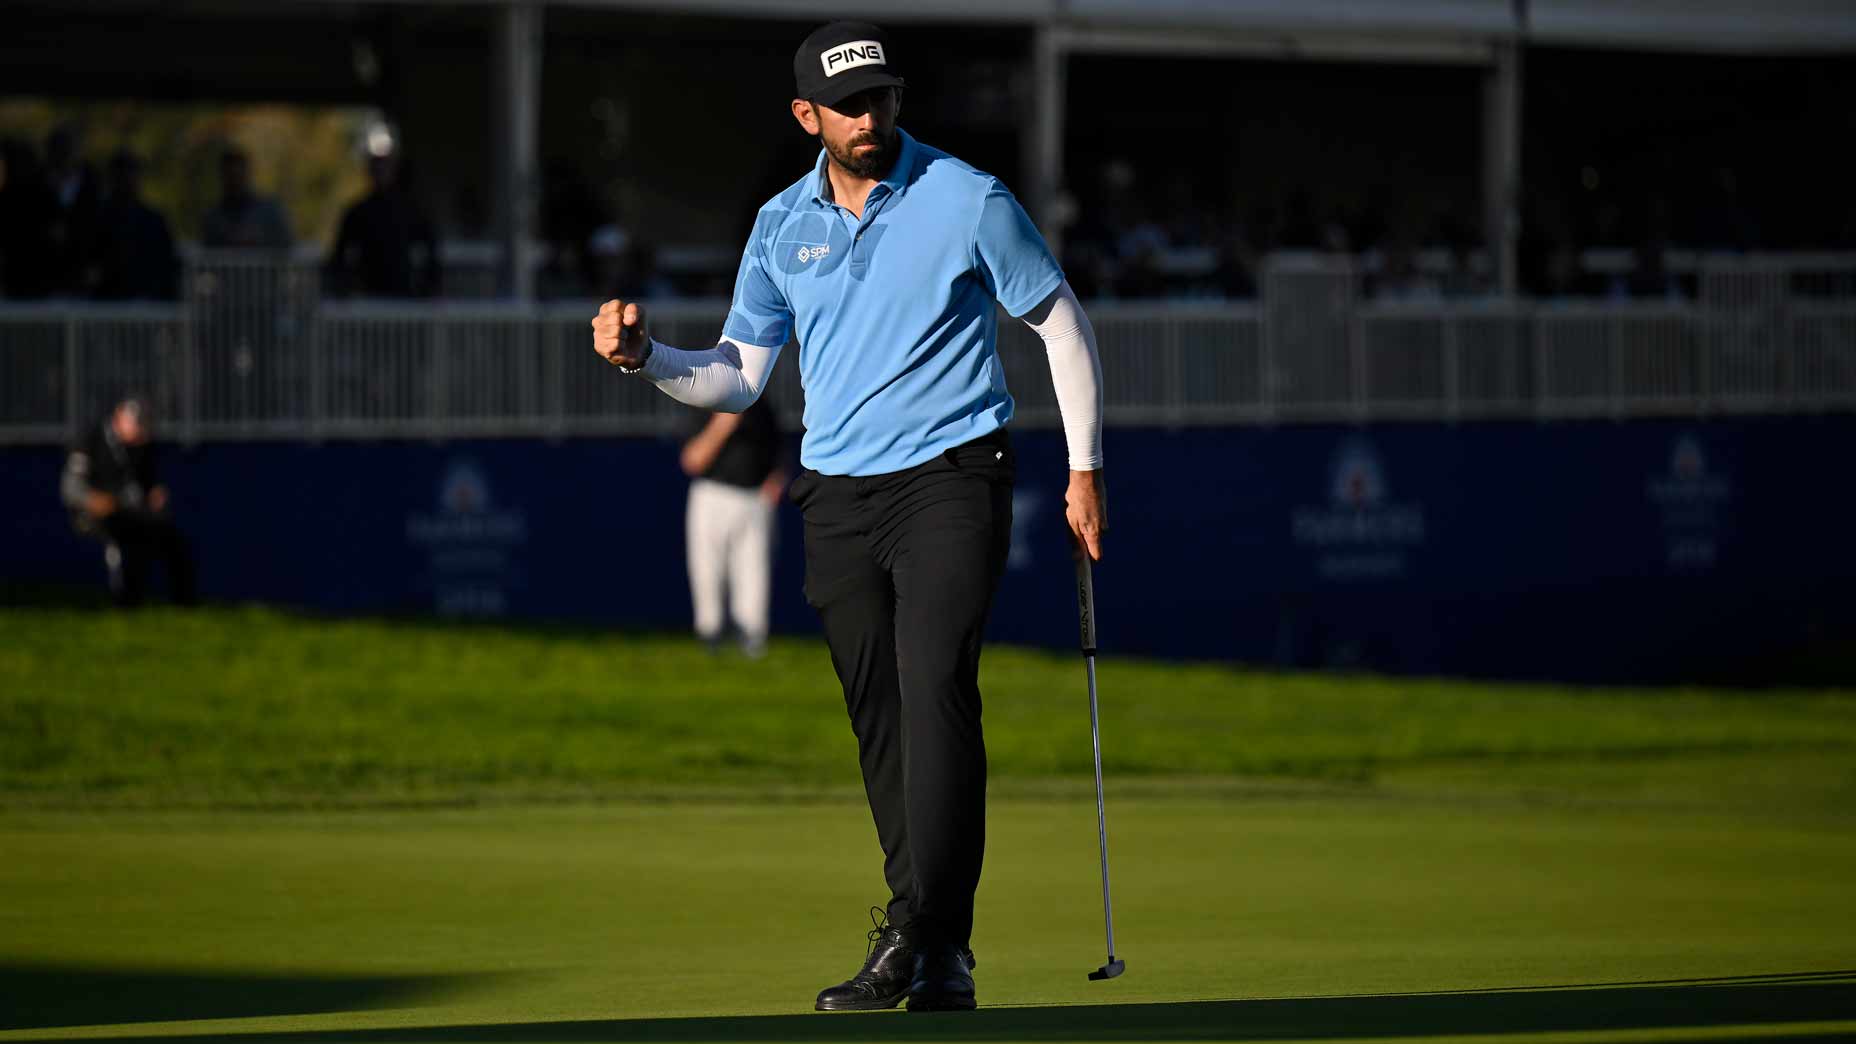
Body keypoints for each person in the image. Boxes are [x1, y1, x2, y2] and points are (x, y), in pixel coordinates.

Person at [590, 21, 1107, 1013]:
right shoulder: (781, 224)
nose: (869, 117)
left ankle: (912, 934)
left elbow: (1055, 321)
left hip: (952, 478)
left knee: (935, 690)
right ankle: (942, 950)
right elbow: (738, 376)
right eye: (848, 104)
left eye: (881, 98)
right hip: (835, 496)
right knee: (880, 721)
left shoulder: (965, 197)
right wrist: (644, 359)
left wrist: (1084, 466)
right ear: (806, 116)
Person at [61, 396, 197, 607]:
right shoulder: (91, 438)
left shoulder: (142, 447)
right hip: (95, 515)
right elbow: (71, 488)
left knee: (172, 539)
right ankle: (122, 601)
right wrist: (94, 500)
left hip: (130, 513)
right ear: (119, 417)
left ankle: (183, 603)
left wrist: (154, 495)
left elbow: (146, 486)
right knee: (122, 541)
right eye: (136, 424)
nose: (141, 431)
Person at [680, 397, 787, 658]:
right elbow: (692, 461)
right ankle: (710, 636)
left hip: (754, 500)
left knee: (754, 571)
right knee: (708, 569)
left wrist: (775, 482)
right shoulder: (704, 404)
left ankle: (752, 643)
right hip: (712, 495)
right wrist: (723, 425)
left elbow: (778, 456)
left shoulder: (761, 407)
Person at [326, 154, 438, 297]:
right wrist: (343, 286)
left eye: (385, 167)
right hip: (367, 295)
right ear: (369, 171)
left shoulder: (410, 210)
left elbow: (432, 248)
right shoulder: (358, 212)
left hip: (403, 296)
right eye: (377, 167)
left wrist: (427, 286)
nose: (381, 173)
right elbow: (339, 254)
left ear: (394, 171)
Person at [90, 150, 179, 301]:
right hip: (106, 305)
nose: (127, 180)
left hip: (146, 305)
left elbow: (167, 266)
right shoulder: (96, 220)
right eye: (121, 174)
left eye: (131, 174)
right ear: (112, 178)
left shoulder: (154, 220)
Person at [200, 147, 293, 249]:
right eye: (231, 177)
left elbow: (286, 242)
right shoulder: (212, 216)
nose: (235, 181)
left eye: (238, 176)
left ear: (247, 174)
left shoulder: (270, 210)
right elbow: (207, 247)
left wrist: (257, 239)